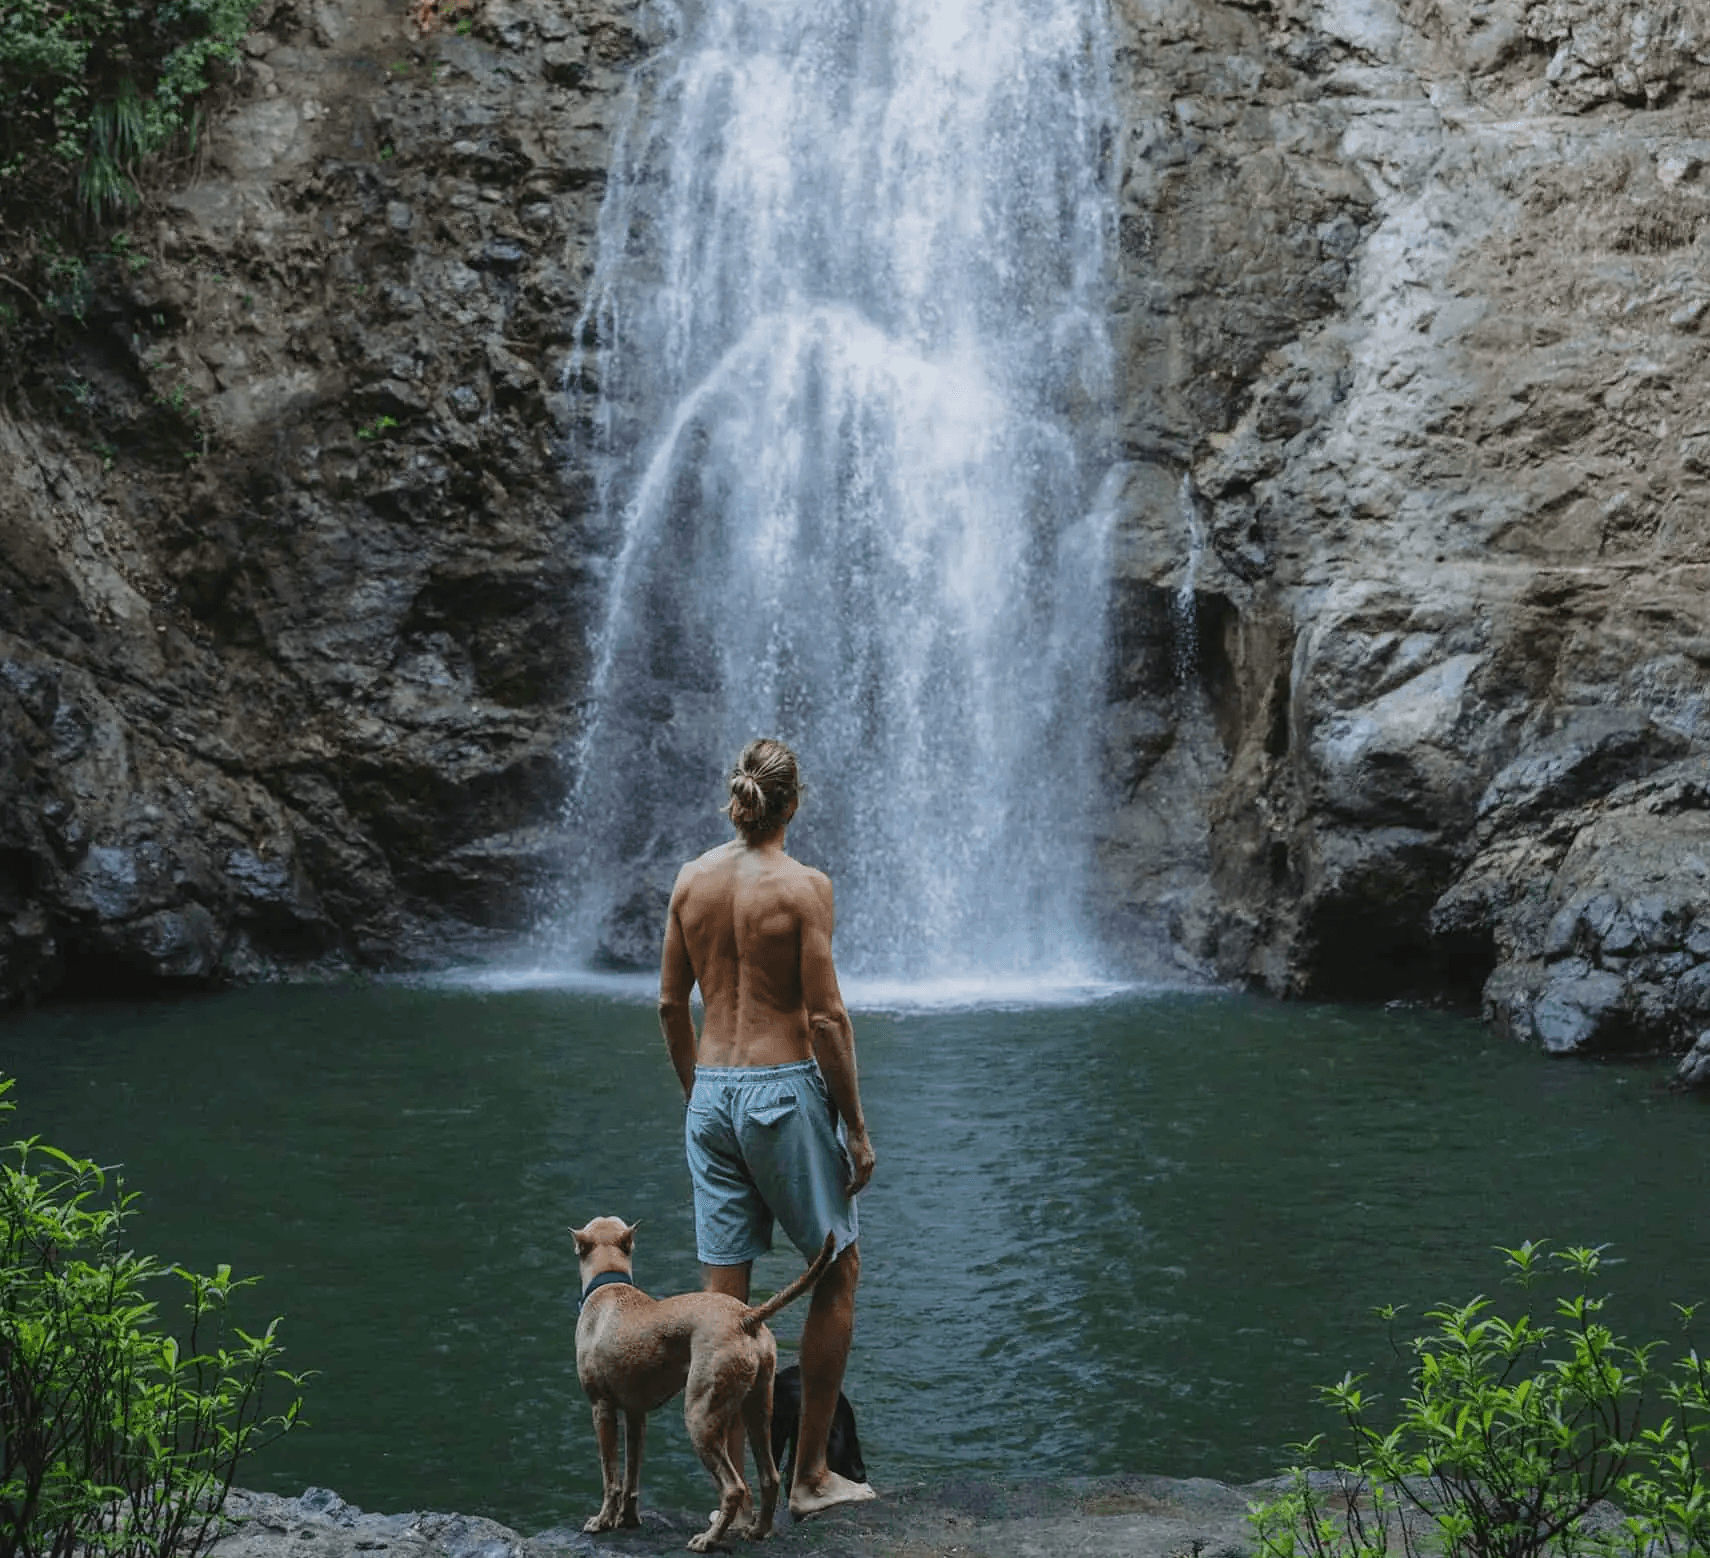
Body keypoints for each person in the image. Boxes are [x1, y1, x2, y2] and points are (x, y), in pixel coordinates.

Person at [658, 737, 877, 1517]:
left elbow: (667, 1006)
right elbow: (826, 1018)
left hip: (712, 1093)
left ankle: (734, 1493)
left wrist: (697, 1096)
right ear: (793, 803)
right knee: (837, 1270)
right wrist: (854, 1125)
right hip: (780, 1093)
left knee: (724, 1310)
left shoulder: (690, 882)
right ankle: (813, 1474)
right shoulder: (803, 887)